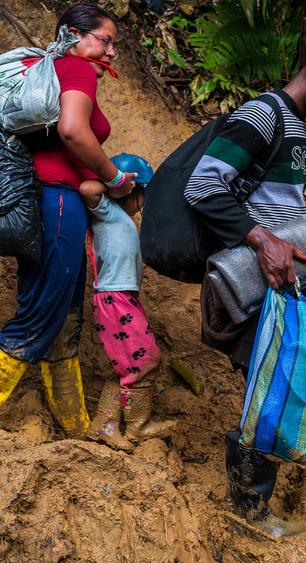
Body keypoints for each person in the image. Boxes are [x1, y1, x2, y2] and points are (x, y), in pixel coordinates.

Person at [184, 45, 306, 537]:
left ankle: (250, 507)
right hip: (248, 280)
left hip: (272, 284)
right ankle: (248, 513)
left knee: (275, 383)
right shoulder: (263, 115)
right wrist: (265, 240)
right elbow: (203, 186)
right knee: (273, 386)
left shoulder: (293, 127)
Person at [0, 3, 137, 436]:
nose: (112, 52)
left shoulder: (44, 70)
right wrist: (115, 178)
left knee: (62, 316)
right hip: (58, 203)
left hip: (41, 201)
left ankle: (74, 425)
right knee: (40, 315)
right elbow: (72, 132)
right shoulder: (75, 69)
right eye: (105, 40)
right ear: (73, 35)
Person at [78, 153, 176, 451]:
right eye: (143, 195)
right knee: (145, 361)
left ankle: (104, 426)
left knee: (132, 365)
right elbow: (86, 189)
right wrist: (116, 183)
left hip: (122, 300)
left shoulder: (120, 219)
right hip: (114, 301)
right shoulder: (106, 209)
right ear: (135, 191)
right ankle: (137, 426)